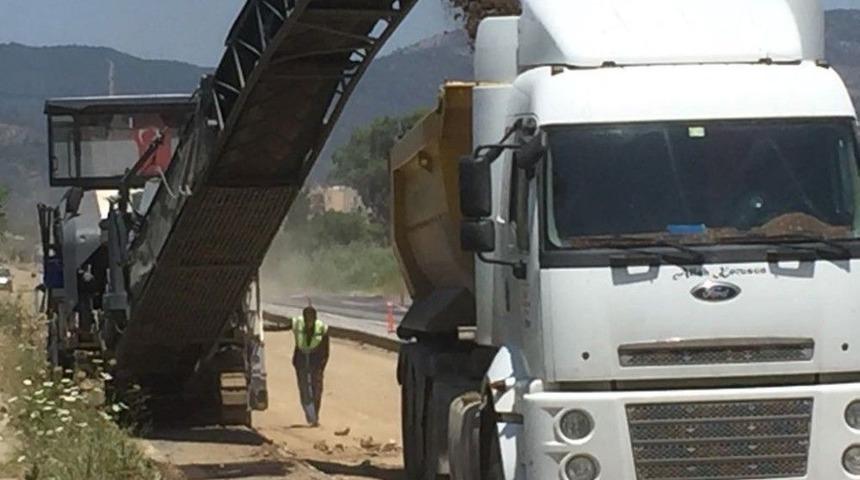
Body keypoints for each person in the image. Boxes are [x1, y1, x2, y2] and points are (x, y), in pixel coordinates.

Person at [285, 305, 330, 426]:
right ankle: (310, 415)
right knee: (304, 389)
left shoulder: (322, 329)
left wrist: (322, 366)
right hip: (300, 362)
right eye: (307, 318)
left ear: (315, 318)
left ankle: (315, 415)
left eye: (311, 318)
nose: (309, 321)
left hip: (316, 363)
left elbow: (326, 351)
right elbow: (282, 326)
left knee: (317, 389)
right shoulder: (298, 325)